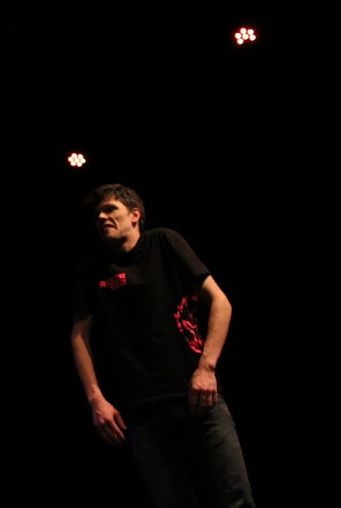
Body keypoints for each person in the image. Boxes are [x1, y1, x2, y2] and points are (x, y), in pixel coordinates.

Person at [70, 184, 255, 507]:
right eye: (97, 213)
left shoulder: (163, 241)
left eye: (110, 209)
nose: (101, 217)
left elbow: (221, 303)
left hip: (198, 400)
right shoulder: (91, 269)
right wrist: (95, 399)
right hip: (143, 413)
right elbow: (78, 336)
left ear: (135, 215)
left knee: (234, 500)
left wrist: (206, 368)